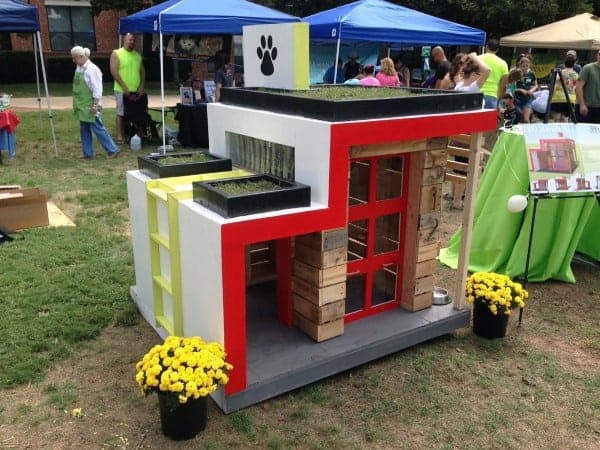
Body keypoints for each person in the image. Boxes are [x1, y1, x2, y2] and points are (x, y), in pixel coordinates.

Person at [71, 46, 119, 160]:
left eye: (74, 58)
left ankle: (113, 150)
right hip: (82, 105)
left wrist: (95, 105)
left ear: (81, 56)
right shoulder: (79, 68)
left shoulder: (92, 69)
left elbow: (97, 89)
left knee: (97, 127)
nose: (73, 61)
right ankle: (88, 154)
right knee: (84, 129)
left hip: (91, 104)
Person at [110, 33, 145, 145]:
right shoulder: (116, 53)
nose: (132, 42)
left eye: (133, 40)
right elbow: (114, 72)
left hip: (136, 90)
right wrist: (124, 87)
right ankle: (120, 136)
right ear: (124, 40)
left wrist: (141, 87)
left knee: (137, 112)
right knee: (121, 113)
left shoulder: (137, 55)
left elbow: (142, 72)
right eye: (129, 40)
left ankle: (139, 133)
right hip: (121, 90)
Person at [479, 38, 509, 109]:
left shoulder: (478, 59)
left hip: (476, 93)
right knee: (488, 120)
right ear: (497, 50)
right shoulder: (503, 63)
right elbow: (503, 85)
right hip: (492, 95)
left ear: (486, 47)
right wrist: (498, 98)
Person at [550, 54, 578, 121]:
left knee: (556, 119)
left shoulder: (559, 73)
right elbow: (575, 87)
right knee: (565, 119)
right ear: (574, 64)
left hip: (557, 98)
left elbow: (554, 83)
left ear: (564, 63)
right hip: (570, 99)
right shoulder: (576, 75)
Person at [575, 50, 600, 123]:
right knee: (582, 132)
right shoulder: (588, 68)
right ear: (597, 55)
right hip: (586, 107)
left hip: (598, 108)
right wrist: (582, 104)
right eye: (599, 54)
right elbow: (578, 86)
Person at [514, 54, 538, 123]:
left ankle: (528, 132)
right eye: (523, 66)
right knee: (518, 117)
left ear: (529, 65)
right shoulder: (516, 73)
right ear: (520, 65)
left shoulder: (531, 74)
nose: (525, 68)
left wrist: (532, 90)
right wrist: (520, 90)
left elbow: (536, 85)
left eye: (527, 66)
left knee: (526, 119)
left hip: (527, 98)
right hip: (517, 98)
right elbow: (511, 88)